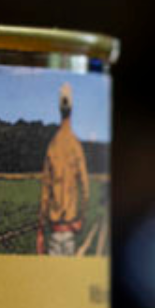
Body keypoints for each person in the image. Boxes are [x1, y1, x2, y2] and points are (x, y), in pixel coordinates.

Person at [38, 83, 90, 255]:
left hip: (54, 230)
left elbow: (45, 192)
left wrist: (40, 231)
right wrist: (81, 219)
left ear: (59, 109)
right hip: (70, 229)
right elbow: (85, 188)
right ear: (72, 108)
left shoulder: (52, 146)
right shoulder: (76, 146)